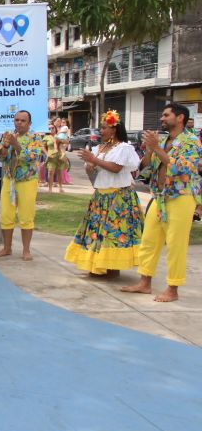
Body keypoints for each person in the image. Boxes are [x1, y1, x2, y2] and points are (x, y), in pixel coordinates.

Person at [122, 103, 201, 302]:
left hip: (181, 197)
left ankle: (173, 289)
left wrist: (157, 148)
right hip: (159, 196)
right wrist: (150, 150)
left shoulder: (192, 141)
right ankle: (145, 282)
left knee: (175, 245)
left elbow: (182, 169)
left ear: (180, 117)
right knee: (149, 240)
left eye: (166, 115)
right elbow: (147, 169)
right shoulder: (164, 140)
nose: (162, 119)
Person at [65, 110, 143, 277]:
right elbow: (94, 173)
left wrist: (94, 161)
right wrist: (89, 166)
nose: (101, 131)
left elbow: (116, 168)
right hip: (101, 196)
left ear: (114, 129)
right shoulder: (99, 148)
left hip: (119, 197)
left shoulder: (124, 148)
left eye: (104, 127)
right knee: (97, 232)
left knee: (114, 233)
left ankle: (112, 267)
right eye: (100, 128)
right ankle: (99, 265)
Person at [0, 110, 45, 261]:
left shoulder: (35, 137)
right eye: (16, 120)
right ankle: (7, 248)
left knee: (26, 216)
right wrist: (3, 147)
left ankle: (26, 250)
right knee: (6, 214)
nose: (19, 123)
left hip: (27, 181)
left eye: (23, 120)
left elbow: (32, 157)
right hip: (9, 179)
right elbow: (1, 157)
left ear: (29, 123)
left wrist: (16, 145)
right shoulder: (9, 135)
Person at [43, 123, 68, 193]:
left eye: (52, 128)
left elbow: (66, 142)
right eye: (49, 128)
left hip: (59, 155)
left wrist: (61, 140)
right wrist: (47, 154)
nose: (51, 129)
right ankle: (50, 189)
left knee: (59, 172)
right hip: (51, 156)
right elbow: (43, 147)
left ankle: (60, 188)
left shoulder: (59, 136)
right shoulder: (46, 137)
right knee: (50, 172)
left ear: (55, 129)